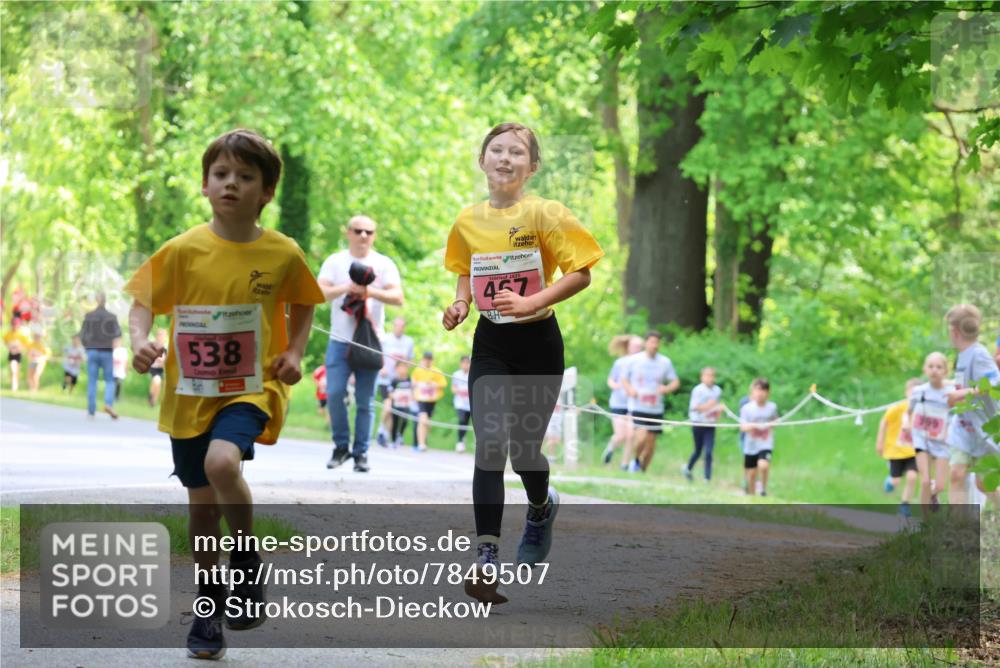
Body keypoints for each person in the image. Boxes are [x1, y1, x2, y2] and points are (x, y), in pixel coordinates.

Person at [125, 128, 323, 660]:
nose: (231, 184)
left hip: (250, 388)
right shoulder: (185, 249)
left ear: (266, 192)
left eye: (245, 176)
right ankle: (209, 603)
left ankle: (247, 564)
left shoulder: (282, 252)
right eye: (221, 174)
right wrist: (139, 340)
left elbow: (305, 301)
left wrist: (296, 352)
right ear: (206, 185)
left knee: (221, 464)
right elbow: (143, 299)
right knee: (200, 508)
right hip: (189, 394)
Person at [441, 122, 603, 604]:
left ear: (532, 167)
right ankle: (485, 556)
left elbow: (581, 273)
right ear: (483, 159)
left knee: (524, 452)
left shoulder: (546, 213)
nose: (505, 158)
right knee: (489, 443)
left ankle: (539, 508)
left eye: (517, 152)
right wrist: (460, 306)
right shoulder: (467, 220)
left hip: (538, 343)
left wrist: (534, 303)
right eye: (497, 150)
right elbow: (466, 273)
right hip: (490, 343)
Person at [318, 215, 404, 473]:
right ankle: (341, 446)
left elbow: (397, 297)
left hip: (370, 342)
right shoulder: (335, 261)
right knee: (334, 393)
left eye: (369, 231)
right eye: (358, 231)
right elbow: (318, 292)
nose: (363, 236)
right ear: (349, 233)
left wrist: (368, 292)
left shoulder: (383, 264)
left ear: (374, 235)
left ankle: (361, 453)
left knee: (366, 401)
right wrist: (347, 287)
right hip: (339, 340)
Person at [944, 304, 1000, 506]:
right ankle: (958, 532)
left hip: (984, 429)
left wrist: (962, 393)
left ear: (954, 330)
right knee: (956, 475)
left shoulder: (979, 354)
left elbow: (995, 383)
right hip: (964, 427)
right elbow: (968, 382)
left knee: (984, 484)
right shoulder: (963, 355)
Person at [622, 331, 680, 472]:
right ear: (646, 343)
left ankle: (643, 470)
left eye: (657, 342)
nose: (654, 345)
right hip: (639, 406)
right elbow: (624, 379)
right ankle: (635, 461)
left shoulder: (665, 362)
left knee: (651, 445)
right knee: (641, 438)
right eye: (652, 342)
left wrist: (666, 389)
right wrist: (630, 390)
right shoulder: (634, 360)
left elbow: (675, 381)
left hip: (656, 408)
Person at [909, 355, 953, 511]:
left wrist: (948, 431)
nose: (934, 370)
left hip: (942, 442)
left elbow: (955, 415)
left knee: (940, 485)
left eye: (939, 367)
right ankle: (926, 523)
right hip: (922, 439)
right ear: (925, 369)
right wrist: (908, 426)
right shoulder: (918, 391)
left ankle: (931, 496)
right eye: (931, 366)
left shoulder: (951, 393)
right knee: (925, 481)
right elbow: (909, 411)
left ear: (946, 371)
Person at [877, 378, 920, 517]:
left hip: (913, 451)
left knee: (912, 477)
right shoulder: (898, 408)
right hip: (895, 451)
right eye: (912, 392)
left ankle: (905, 506)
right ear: (906, 392)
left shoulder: (922, 410)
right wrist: (880, 441)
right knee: (896, 480)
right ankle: (890, 480)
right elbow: (884, 422)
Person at [79, 292, 122, 420]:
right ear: (105, 300)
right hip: (107, 352)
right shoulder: (112, 317)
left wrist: (87, 347)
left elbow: (82, 335)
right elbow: (117, 335)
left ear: (96, 300)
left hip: (92, 351)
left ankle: (91, 411)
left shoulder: (89, 316)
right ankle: (108, 404)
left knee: (92, 381)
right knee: (109, 380)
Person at [602, 335, 641, 468]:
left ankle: (624, 464)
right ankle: (610, 449)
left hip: (634, 404)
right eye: (635, 346)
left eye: (640, 347)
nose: (638, 349)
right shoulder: (620, 362)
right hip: (619, 403)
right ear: (628, 347)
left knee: (631, 436)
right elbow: (611, 380)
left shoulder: (642, 363)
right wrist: (616, 386)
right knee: (620, 436)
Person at [376, 317, 415, 447]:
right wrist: (381, 367)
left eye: (402, 326)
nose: (399, 328)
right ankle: (382, 432)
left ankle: (389, 434)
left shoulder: (409, 341)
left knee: (396, 411)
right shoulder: (385, 339)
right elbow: (378, 354)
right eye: (397, 326)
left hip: (400, 382)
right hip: (386, 379)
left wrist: (406, 376)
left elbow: (410, 360)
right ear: (393, 326)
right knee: (387, 407)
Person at [683, 366, 723, 483]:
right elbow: (695, 408)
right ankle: (688, 468)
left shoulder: (717, 390)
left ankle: (707, 478)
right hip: (698, 423)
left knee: (709, 451)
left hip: (710, 425)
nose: (710, 378)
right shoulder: (698, 390)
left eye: (712, 376)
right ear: (702, 377)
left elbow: (715, 408)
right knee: (698, 450)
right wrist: (709, 405)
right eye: (707, 375)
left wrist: (718, 410)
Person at [740, 378, 778, 497]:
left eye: (763, 390)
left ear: (768, 393)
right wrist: (752, 426)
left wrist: (774, 423)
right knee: (751, 474)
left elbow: (775, 420)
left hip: (765, 443)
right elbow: (742, 427)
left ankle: (763, 490)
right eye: (757, 390)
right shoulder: (746, 408)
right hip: (751, 445)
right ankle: (751, 496)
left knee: (763, 465)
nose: (760, 393)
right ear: (753, 391)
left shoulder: (772, 407)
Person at [411, 351, 447, 452]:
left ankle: (424, 440)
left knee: (427, 421)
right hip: (421, 398)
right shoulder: (418, 370)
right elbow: (413, 382)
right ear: (423, 359)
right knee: (423, 418)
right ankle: (421, 444)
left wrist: (433, 384)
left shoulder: (437, 371)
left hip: (431, 399)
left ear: (432, 360)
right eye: (426, 359)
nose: (427, 361)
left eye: (429, 359)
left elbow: (443, 384)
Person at [388, 360, 414, 448]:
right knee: (395, 422)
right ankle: (393, 440)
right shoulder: (394, 380)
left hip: (406, 405)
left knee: (405, 420)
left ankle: (400, 435)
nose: (403, 369)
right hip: (396, 404)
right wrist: (396, 396)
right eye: (401, 367)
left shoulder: (409, 379)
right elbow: (390, 392)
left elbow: (413, 390)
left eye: (405, 367)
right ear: (397, 369)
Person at [452, 355, 472, 453]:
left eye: (467, 363)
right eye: (464, 363)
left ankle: (463, 438)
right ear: (460, 364)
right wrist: (460, 392)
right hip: (460, 403)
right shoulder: (456, 374)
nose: (465, 365)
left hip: (470, 404)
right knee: (462, 420)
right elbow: (454, 387)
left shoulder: (472, 374)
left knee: (467, 422)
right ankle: (459, 442)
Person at [3, 323, 29, 391]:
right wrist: (10, 346)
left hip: (18, 354)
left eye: (16, 325)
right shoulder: (9, 334)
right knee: (13, 369)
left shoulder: (21, 334)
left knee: (17, 371)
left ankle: (16, 385)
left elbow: (25, 344)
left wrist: (18, 347)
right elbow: (5, 341)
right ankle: (14, 386)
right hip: (11, 354)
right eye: (13, 324)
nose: (14, 326)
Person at [148, 328, 168, 406]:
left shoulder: (165, 348)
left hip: (161, 369)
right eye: (159, 335)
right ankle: (152, 398)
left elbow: (166, 359)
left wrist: (163, 363)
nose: (160, 337)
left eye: (162, 335)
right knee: (156, 381)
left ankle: (153, 399)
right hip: (153, 368)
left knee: (157, 384)